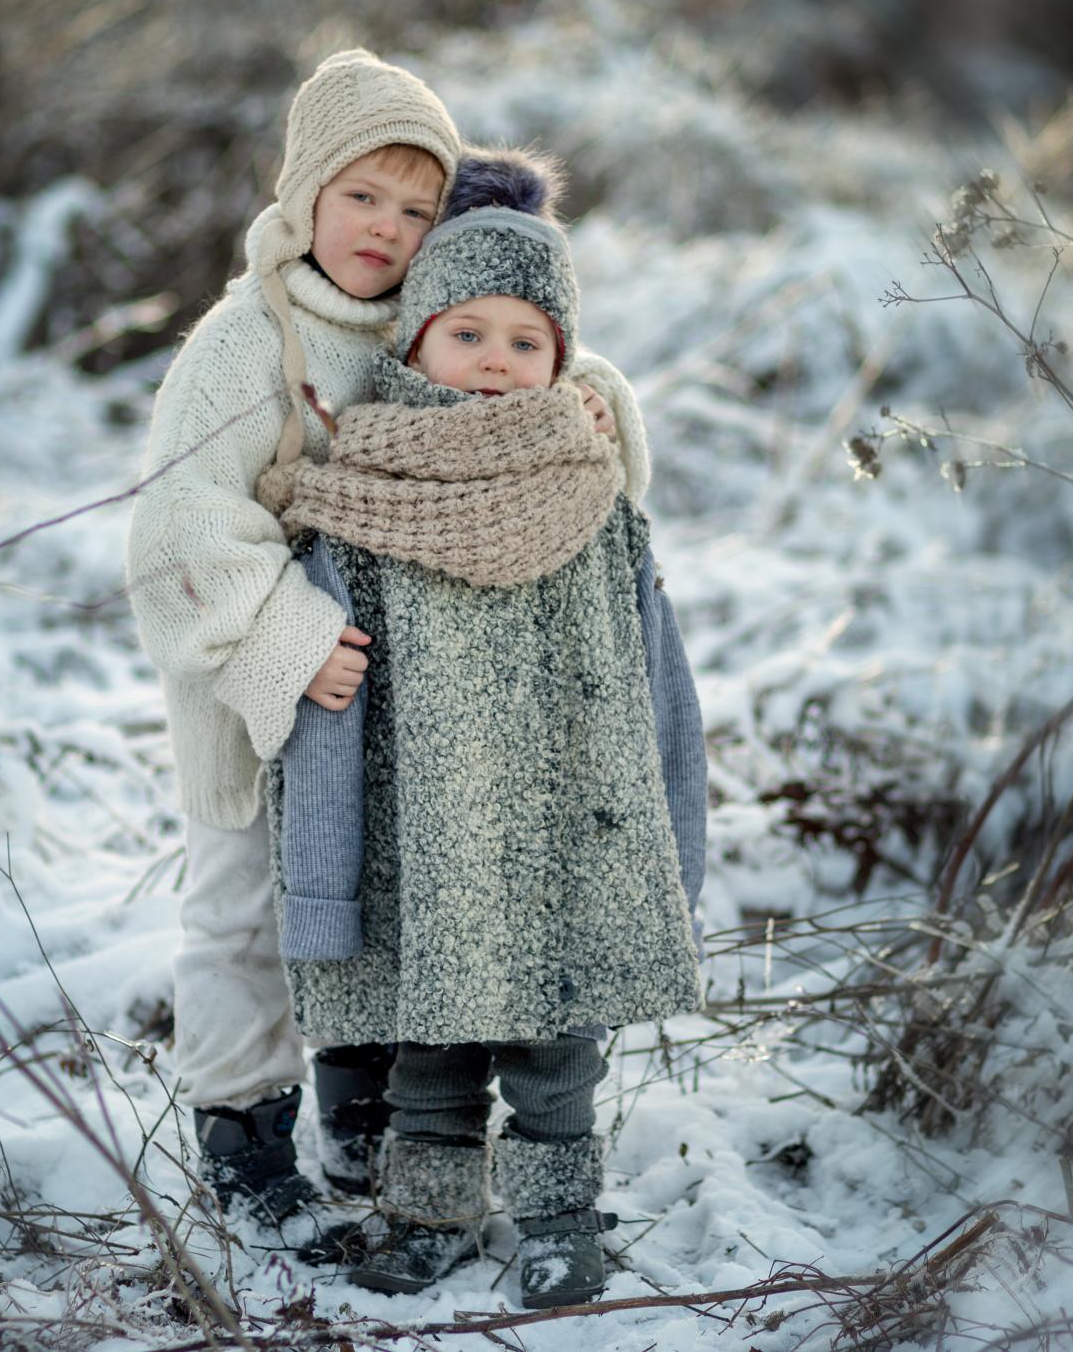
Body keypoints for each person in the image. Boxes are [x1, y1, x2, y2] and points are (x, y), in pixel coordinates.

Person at [122, 54, 654, 1253]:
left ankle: (366, 1118)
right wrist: (289, 640)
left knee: (376, 905)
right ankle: (243, 1131)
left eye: (418, 208)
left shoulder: (431, 319)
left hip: (395, 718)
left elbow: (554, 376)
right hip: (266, 689)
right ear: (306, 188)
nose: (388, 229)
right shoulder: (245, 340)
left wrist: (598, 408)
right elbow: (181, 529)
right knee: (248, 910)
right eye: (364, 196)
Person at [258, 148, 706, 1306]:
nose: (497, 362)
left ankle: (562, 1211)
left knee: (561, 1049)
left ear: (565, 361)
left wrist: (670, 840)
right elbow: (324, 714)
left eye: (526, 341)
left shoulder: (595, 500)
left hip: (569, 828)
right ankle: (428, 1209)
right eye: (468, 334)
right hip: (429, 839)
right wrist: (324, 873)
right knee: (431, 1050)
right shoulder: (359, 509)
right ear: (412, 345)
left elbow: (658, 681)